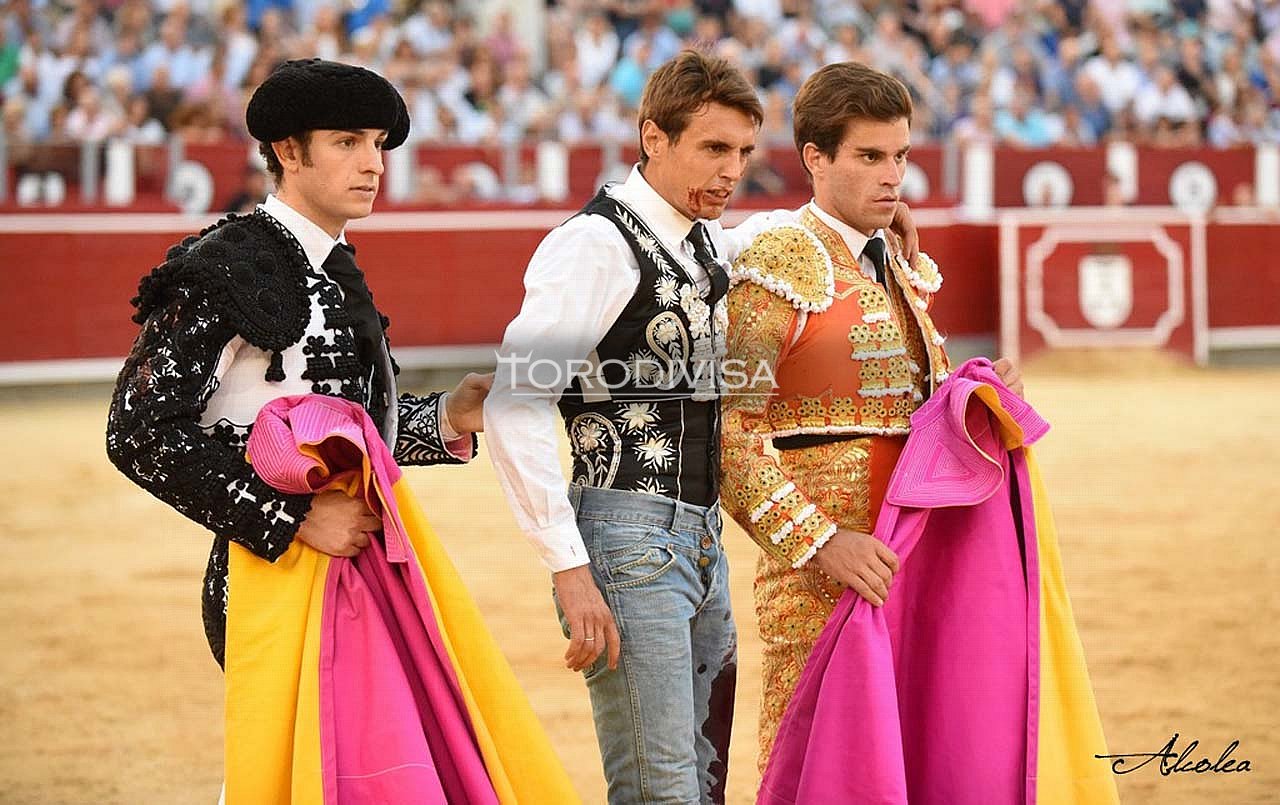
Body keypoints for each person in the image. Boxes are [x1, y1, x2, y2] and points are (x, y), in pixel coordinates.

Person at [106, 58, 491, 671]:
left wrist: (449, 417)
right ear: (288, 151)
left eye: (377, 144)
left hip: (357, 565)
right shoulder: (226, 266)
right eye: (347, 143)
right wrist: (293, 517)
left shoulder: (337, 269)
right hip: (267, 573)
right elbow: (138, 430)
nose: (375, 164)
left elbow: (350, 436)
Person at [718, 61, 1023, 772]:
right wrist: (822, 542)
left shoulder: (895, 266)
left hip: (913, 565)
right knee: (816, 763)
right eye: (869, 157)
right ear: (815, 158)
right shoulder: (779, 263)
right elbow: (729, 433)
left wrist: (979, 396)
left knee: (908, 757)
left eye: (900, 156)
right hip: (819, 580)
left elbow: (913, 415)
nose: (893, 177)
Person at [484, 50, 760, 804]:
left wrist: (861, 218)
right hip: (626, 540)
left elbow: (767, 234)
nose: (732, 171)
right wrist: (568, 565)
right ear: (653, 138)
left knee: (701, 781)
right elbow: (516, 402)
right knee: (660, 787)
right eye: (714, 148)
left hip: (701, 537)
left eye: (743, 152)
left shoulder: (699, 237)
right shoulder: (594, 246)